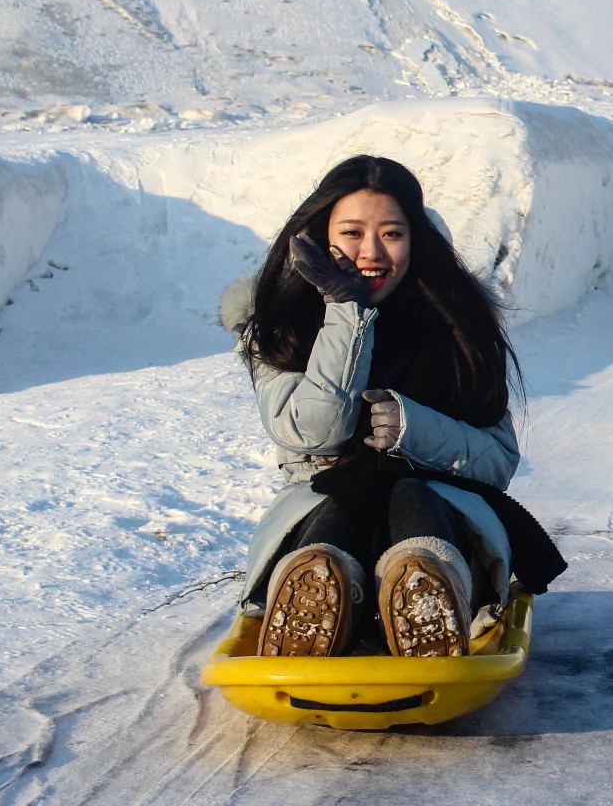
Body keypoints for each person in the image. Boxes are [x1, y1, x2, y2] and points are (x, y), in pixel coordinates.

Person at [228, 154, 559, 659]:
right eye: (352, 233)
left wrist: (415, 429)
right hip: (325, 506)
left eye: (391, 234)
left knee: (411, 494)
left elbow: (497, 460)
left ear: (416, 241)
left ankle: (425, 592)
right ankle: (316, 593)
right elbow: (315, 433)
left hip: (443, 512)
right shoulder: (282, 328)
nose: (371, 252)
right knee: (343, 506)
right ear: (320, 239)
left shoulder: (455, 326)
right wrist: (346, 311)